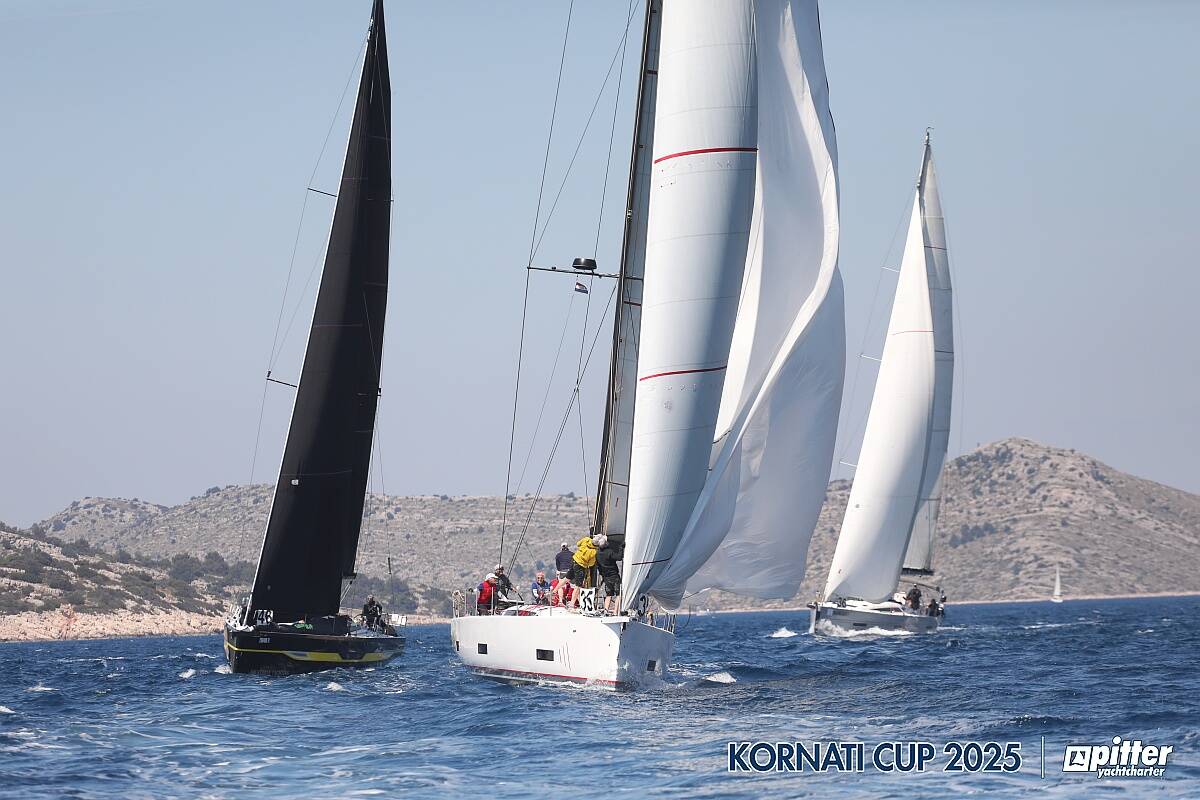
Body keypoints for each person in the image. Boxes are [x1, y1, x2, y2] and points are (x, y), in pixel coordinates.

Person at [595, 536, 621, 614]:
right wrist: (621, 548)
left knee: (609, 594)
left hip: (605, 577)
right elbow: (619, 557)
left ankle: (606, 610)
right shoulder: (609, 552)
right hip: (614, 575)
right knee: (618, 594)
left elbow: (598, 565)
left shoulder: (598, 553)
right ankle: (615, 612)